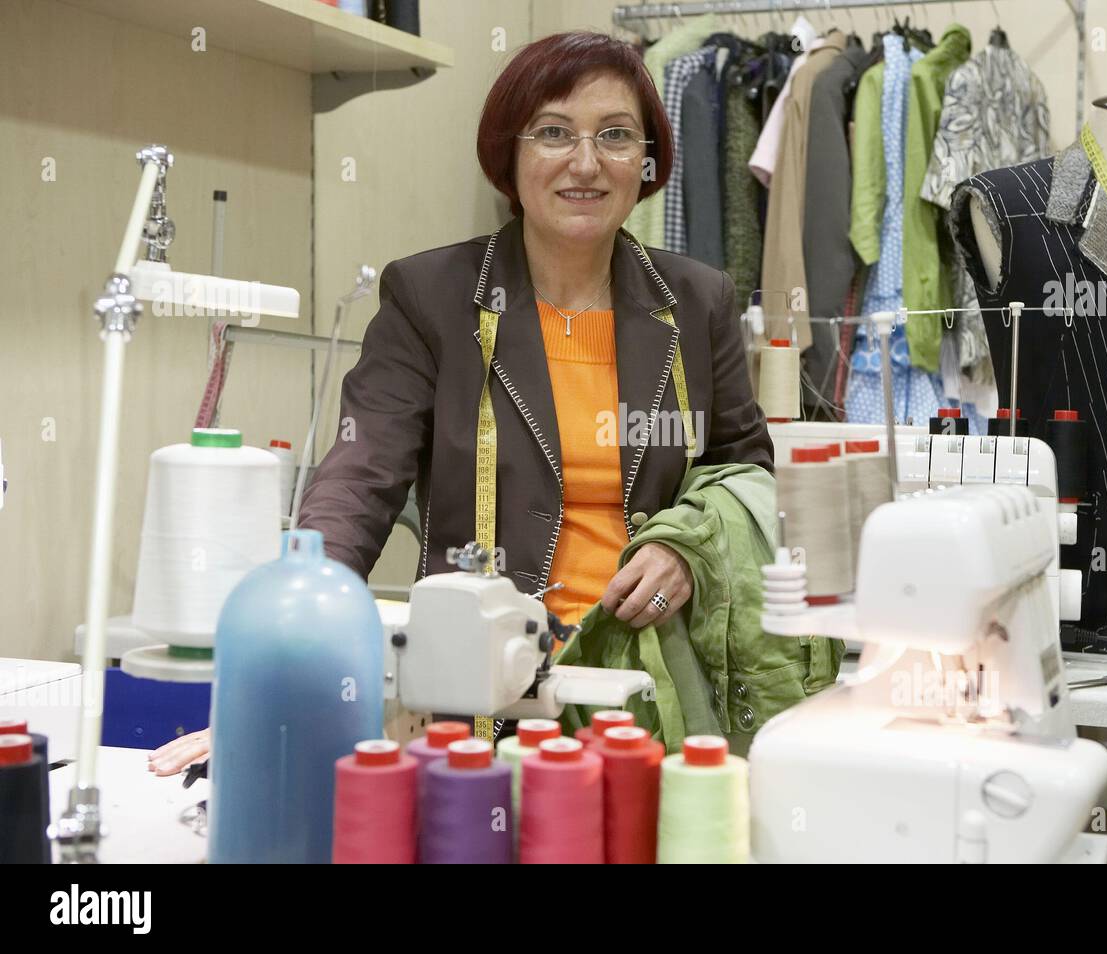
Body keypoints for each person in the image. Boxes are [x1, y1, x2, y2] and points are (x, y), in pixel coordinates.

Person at [150, 30, 779, 776]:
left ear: (645, 161)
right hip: (486, 695)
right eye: (553, 132)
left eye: (614, 136)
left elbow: (746, 469)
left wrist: (686, 548)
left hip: (653, 690)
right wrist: (283, 660)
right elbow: (358, 478)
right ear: (507, 155)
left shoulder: (696, 300)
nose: (585, 162)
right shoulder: (434, 298)